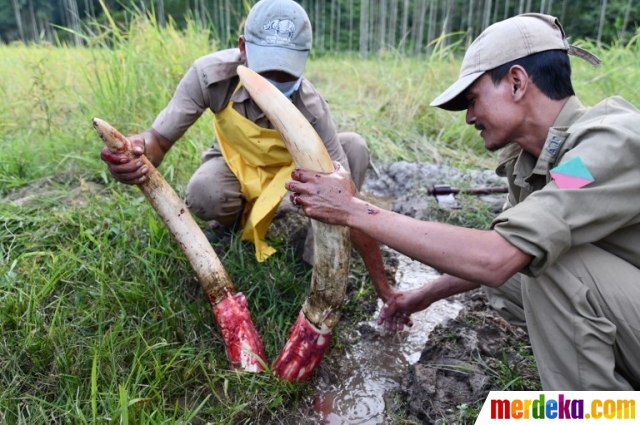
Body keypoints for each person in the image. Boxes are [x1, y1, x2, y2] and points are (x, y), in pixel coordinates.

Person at [285, 13, 640, 390]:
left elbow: (497, 256)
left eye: (473, 99)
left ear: (517, 82)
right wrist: (419, 297)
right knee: (519, 270)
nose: (470, 117)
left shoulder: (608, 145)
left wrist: (353, 209)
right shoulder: (544, 162)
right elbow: (494, 254)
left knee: (547, 263)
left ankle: (592, 413)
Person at [100, 0, 395, 303]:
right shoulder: (210, 75)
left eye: (287, 73)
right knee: (205, 194)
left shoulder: (312, 107)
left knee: (354, 148)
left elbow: (347, 199)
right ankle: (230, 223)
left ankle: (313, 260)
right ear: (243, 48)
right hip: (235, 161)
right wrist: (135, 153)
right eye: (267, 70)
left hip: (290, 168)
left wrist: (383, 287)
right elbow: (158, 141)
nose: (276, 84)